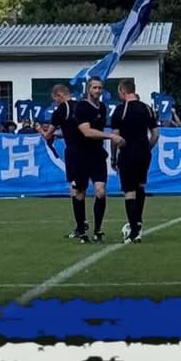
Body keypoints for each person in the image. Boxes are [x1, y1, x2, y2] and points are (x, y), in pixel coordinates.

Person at [50, 77, 122, 243]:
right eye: (95, 88)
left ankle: (98, 229)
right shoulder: (81, 107)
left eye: (100, 88)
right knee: (79, 192)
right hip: (80, 156)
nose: (98, 91)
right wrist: (111, 136)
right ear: (88, 89)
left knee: (101, 191)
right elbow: (87, 132)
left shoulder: (102, 108)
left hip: (97, 154)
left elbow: (96, 130)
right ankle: (81, 230)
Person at [112, 79, 159, 243]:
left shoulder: (120, 110)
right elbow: (155, 134)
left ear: (122, 91)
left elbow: (115, 137)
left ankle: (134, 232)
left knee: (129, 191)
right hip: (144, 154)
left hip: (128, 154)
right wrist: (147, 148)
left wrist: (113, 157)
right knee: (140, 186)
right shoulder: (147, 108)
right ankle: (137, 222)